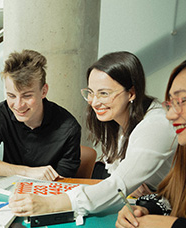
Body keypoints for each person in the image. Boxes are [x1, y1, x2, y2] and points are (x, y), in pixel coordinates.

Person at [9, 51, 177, 217]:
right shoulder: (115, 119)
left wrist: (50, 204)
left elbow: (118, 185)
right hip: (153, 203)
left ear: (131, 93)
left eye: (104, 93)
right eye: (90, 93)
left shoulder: (155, 125)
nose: (94, 102)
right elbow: (118, 174)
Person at [116, 51, 186, 228]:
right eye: (171, 103)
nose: (170, 115)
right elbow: (172, 198)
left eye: (182, 101)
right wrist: (145, 210)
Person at [0, 50, 81, 180]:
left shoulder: (69, 127)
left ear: (43, 91)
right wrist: (27, 172)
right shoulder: (2, 112)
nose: (18, 105)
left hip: (47, 196)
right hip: (9, 191)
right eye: (11, 95)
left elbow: (63, 183)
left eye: (27, 96)